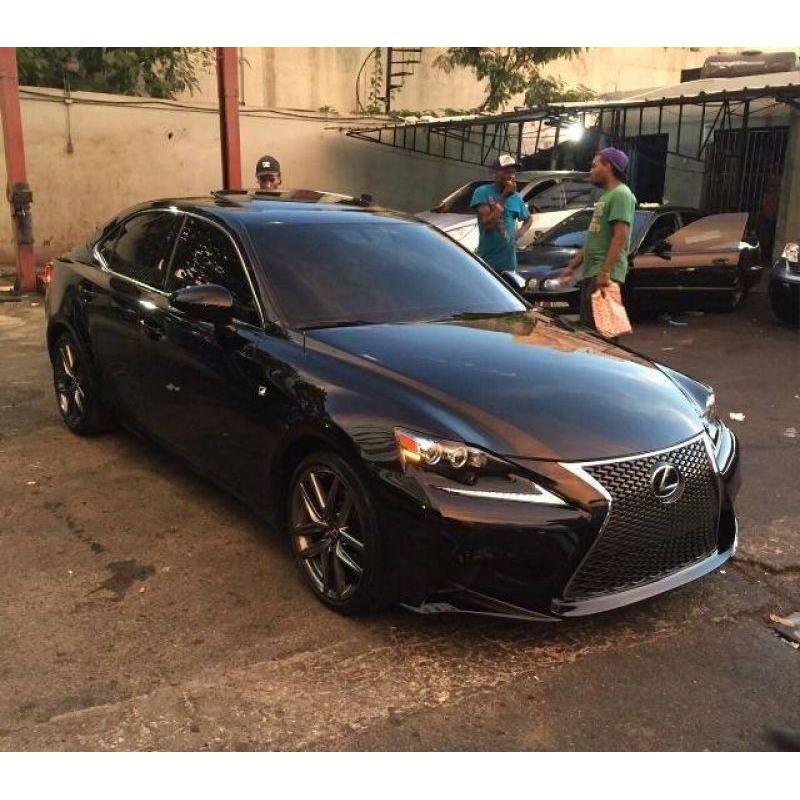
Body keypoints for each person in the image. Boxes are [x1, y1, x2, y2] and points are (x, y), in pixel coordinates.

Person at [560, 147, 637, 330]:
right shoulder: (606, 196)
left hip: (604, 276)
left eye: (595, 166)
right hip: (593, 272)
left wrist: (605, 272)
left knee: (603, 334)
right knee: (590, 331)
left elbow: (620, 235)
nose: (591, 171)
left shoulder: (621, 194)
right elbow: (594, 238)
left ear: (608, 166)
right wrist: (572, 266)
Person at [470, 154, 533, 273]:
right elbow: (488, 225)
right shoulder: (482, 192)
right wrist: (504, 196)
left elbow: (528, 219)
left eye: (513, 172)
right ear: (495, 173)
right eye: (506, 172)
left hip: (509, 265)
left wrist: (519, 233)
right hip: (488, 263)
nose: (511, 176)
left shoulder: (516, 197)